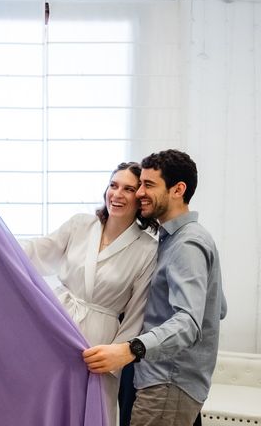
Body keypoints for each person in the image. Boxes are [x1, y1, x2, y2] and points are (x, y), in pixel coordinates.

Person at [83, 149, 227, 426]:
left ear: (178, 190)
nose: (139, 193)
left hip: (167, 383)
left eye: (149, 185)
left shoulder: (186, 245)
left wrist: (129, 349)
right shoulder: (175, 239)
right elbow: (217, 308)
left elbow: (189, 323)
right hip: (168, 381)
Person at [20, 161, 158, 424]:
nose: (117, 194)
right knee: (48, 408)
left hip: (99, 345)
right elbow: (38, 251)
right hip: (56, 329)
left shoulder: (147, 249)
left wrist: (116, 355)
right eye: (113, 185)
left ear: (140, 197)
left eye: (128, 189)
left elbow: (137, 313)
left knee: (91, 414)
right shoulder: (80, 225)